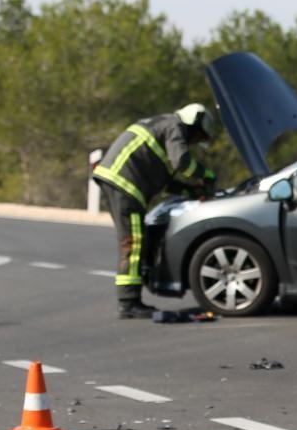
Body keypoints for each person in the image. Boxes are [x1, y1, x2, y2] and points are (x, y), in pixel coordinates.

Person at [90, 104, 217, 318]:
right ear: (193, 123)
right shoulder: (174, 126)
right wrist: (206, 175)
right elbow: (182, 162)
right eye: (198, 136)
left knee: (138, 240)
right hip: (124, 185)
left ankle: (131, 299)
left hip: (119, 183)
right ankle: (128, 303)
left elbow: (164, 181)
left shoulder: (162, 128)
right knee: (134, 242)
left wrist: (190, 189)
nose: (195, 142)